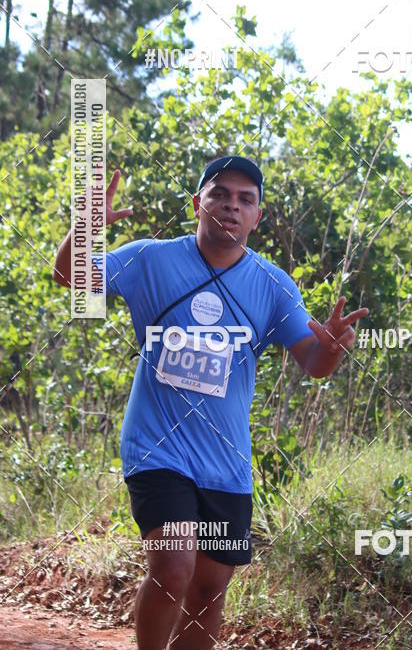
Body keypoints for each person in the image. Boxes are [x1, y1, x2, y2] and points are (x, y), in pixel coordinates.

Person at [52, 155, 369, 650]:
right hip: (158, 449)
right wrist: (89, 221)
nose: (231, 206)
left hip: (226, 462)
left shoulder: (272, 285)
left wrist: (331, 349)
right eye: (220, 193)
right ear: (197, 202)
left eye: (246, 199)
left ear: (257, 216)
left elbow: (312, 363)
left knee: (209, 587)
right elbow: (70, 276)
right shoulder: (150, 260)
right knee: (174, 567)